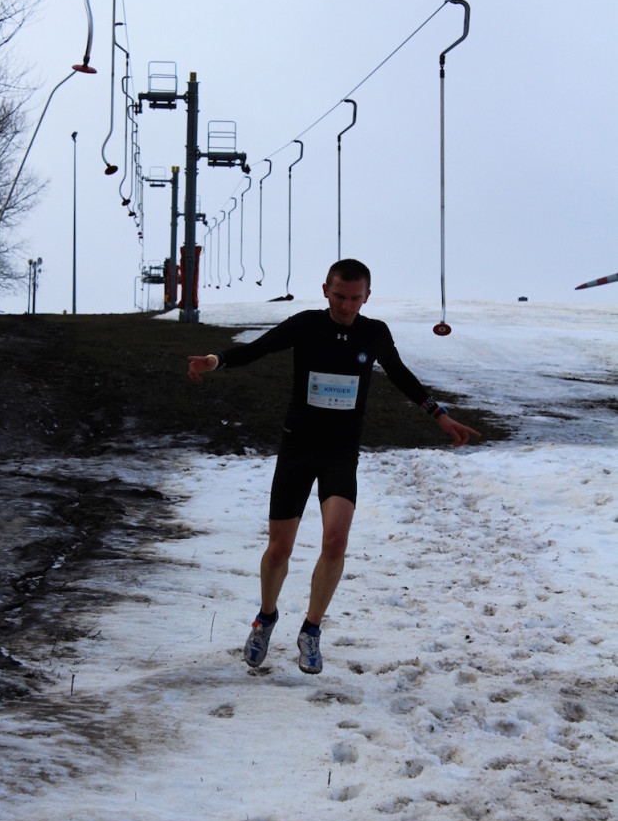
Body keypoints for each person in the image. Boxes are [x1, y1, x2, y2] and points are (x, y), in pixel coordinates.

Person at [187, 259, 480, 675]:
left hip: (340, 451)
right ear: (326, 290)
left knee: (335, 541)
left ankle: (311, 629)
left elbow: (401, 375)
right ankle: (266, 617)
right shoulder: (307, 324)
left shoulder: (374, 333)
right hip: (298, 446)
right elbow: (260, 347)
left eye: (355, 298)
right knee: (279, 550)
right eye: (339, 296)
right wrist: (217, 360)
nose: (346, 306)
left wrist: (441, 416)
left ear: (367, 296)